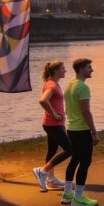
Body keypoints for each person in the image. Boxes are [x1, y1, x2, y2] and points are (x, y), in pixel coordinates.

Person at [62, 58, 100, 206]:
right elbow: (86, 111)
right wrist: (94, 132)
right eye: (89, 67)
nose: (92, 70)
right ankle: (78, 198)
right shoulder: (83, 87)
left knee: (75, 160)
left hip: (71, 128)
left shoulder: (70, 84)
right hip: (82, 130)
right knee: (85, 162)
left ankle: (67, 194)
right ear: (81, 69)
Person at [32, 61, 72, 192]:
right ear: (56, 71)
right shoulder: (51, 85)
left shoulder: (53, 83)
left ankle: (51, 180)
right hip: (53, 124)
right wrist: (54, 114)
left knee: (52, 151)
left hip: (52, 124)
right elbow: (43, 100)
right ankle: (42, 171)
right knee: (70, 149)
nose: (65, 71)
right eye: (63, 68)